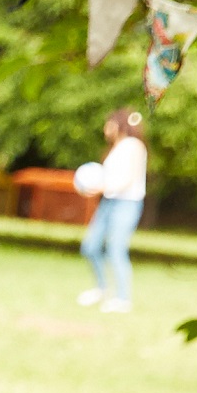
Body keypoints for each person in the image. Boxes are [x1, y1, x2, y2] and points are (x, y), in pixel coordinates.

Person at [77, 109, 147, 312]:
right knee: (90, 246)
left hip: (126, 204)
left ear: (119, 124)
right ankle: (101, 289)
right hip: (109, 202)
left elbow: (127, 179)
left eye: (109, 124)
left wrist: (99, 188)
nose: (105, 128)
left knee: (116, 249)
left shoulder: (134, 146)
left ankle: (123, 299)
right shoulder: (115, 148)